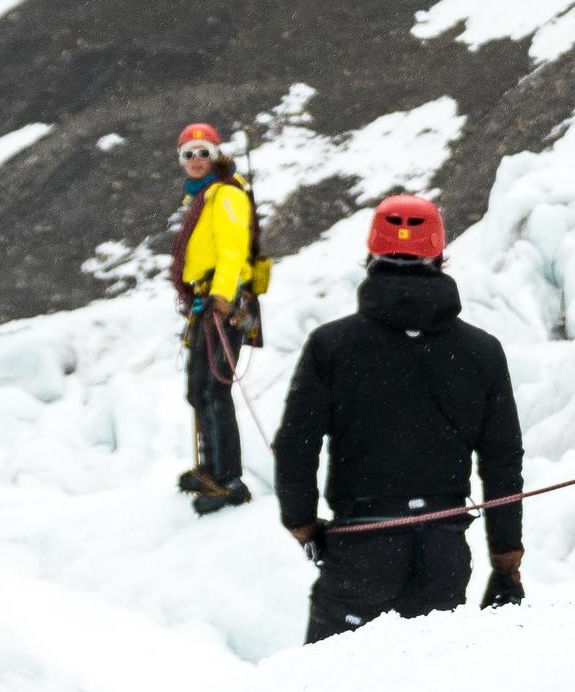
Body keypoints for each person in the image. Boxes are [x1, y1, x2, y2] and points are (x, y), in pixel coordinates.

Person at [277, 194, 526, 639]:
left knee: (325, 691)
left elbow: (298, 443)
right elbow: (502, 461)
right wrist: (506, 561)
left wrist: (301, 521)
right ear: (440, 256)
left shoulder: (331, 345)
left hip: (360, 547)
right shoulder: (482, 351)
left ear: (371, 255)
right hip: (444, 551)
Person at [168, 121, 268, 513]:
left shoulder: (226, 195)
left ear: (217, 154)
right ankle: (211, 469)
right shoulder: (204, 196)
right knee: (200, 388)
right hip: (207, 301)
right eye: (187, 154)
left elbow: (232, 249)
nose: (195, 160)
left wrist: (222, 296)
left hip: (223, 303)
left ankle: (228, 480)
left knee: (214, 390)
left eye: (202, 152)